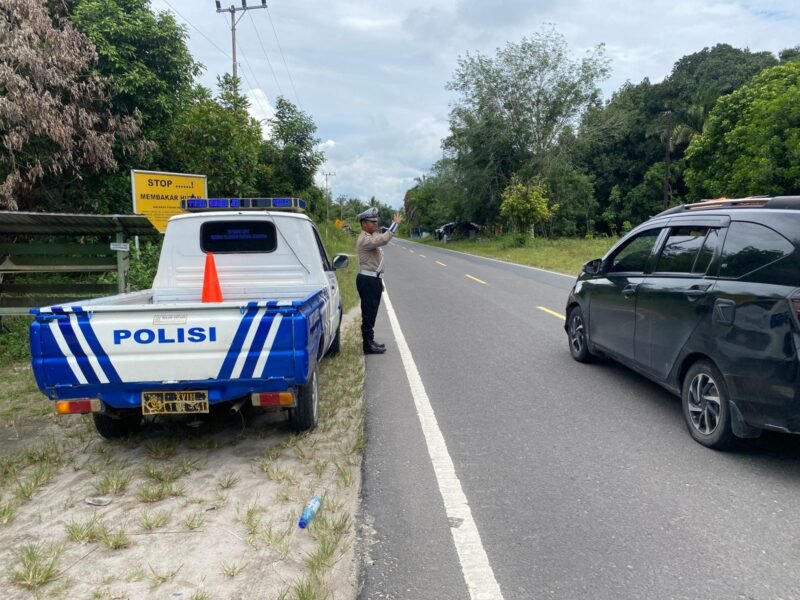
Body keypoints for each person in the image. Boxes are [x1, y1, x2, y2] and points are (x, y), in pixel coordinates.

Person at [356, 207, 402, 354]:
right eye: (372, 222)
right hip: (367, 281)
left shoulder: (369, 236)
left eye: (376, 222)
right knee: (368, 313)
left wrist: (379, 280)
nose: (375, 224)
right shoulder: (365, 239)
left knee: (372, 312)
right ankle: (367, 345)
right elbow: (383, 239)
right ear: (364, 223)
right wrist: (394, 225)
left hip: (372, 279)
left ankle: (370, 340)